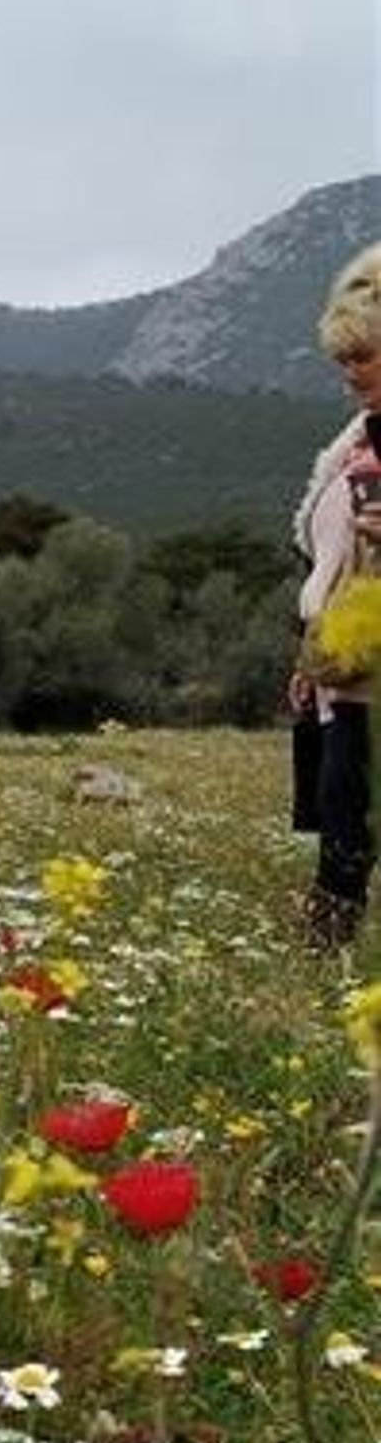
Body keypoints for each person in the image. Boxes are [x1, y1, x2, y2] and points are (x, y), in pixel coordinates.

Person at [289, 241, 381, 951]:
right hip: (343, 666)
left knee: (354, 810)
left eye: (366, 354)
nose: (351, 372)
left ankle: (325, 959)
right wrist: (310, 655)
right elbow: (333, 560)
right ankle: (323, 962)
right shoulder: (354, 446)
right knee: (340, 810)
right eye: (344, 358)